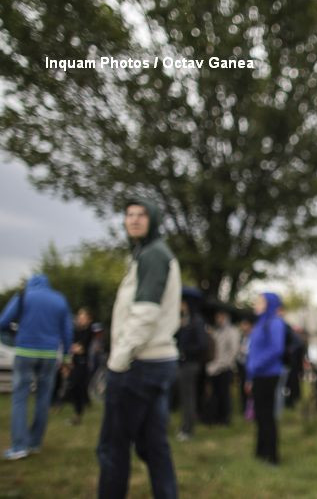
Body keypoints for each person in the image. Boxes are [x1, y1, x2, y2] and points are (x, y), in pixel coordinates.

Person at [96, 197, 182, 499]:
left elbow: (145, 313)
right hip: (155, 363)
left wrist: (117, 361)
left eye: (141, 214)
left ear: (154, 219)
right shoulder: (146, 253)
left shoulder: (153, 255)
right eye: (128, 214)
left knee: (112, 447)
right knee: (153, 445)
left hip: (139, 364)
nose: (133, 219)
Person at [0, 274, 72, 460]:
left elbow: (3, 321)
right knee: (43, 397)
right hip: (49, 354)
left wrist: (15, 331)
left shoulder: (23, 296)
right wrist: (65, 356)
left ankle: (18, 446)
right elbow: (67, 330)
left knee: (20, 397)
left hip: (26, 351)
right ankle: (35, 443)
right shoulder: (60, 299)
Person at [245, 292, 286, 465]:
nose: (257, 304)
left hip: (268, 374)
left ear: (269, 304)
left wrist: (256, 366)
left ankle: (272, 456)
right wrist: (250, 376)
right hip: (257, 375)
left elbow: (276, 349)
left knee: (267, 415)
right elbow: (253, 351)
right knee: (259, 415)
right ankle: (260, 452)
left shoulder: (275, 323)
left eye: (260, 302)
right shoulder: (260, 323)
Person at [175, 299, 208, 441]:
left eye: (182, 302)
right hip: (184, 363)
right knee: (185, 397)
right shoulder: (184, 320)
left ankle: (188, 429)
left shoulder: (197, 321)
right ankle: (185, 426)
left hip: (191, 364)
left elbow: (202, 344)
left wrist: (185, 352)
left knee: (189, 398)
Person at [205, 309, 239, 425]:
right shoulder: (216, 331)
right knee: (215, 394)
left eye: (220, 316)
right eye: (217, 317)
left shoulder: (232, 331)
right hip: (214, 368)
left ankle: (225, 419)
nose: (218, 319)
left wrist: (225, 364)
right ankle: (215, 417)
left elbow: (233, 351)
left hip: (225, 368)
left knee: (225, 395)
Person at [67, 307, 95, 425]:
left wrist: (75, 348)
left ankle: (78, 415)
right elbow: (72, 346)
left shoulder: (89, 331)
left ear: (89, 319)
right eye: (79, 316)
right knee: (74, 388)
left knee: (76, 387)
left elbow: (81, 349)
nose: (80, 319)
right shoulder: (76, 331)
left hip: (83, 364)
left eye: (83, 317)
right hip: (74, 363)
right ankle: (77, 414)